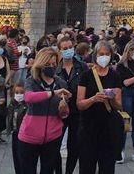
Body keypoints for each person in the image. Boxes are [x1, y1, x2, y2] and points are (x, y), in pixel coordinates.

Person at [19, 48, 71, 174]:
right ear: (40, 64)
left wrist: (64, 108)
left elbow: (64, 114)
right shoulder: (31, 81)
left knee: (48, 170)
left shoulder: (61, 83)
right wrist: (52, 93)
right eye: (48, 64)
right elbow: (29, 97)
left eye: (54, 64)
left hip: (52, 136)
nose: (51, 67)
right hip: (30, 135)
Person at [76, 41, 123, 174]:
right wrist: (93, 99)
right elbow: (79, 104)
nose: (104, 57)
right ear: (95, 55)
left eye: (107, 54)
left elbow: (119, 105)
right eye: (101, 54)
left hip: (108, 128)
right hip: (88, 128)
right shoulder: (86, 75)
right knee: (87, 167)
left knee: (107, 167)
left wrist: (111, 97)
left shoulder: (115, 76)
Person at [55, 37, 85, 174]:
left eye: (70, 47)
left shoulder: (81, 66)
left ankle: (69, 171)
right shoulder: (55, 68)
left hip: (76, 110)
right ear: (60, 50)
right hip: (59, 111)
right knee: (55, 144)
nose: (68, 50)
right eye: (64, 48)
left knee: (75, 145)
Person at [9, 82, 28, 174]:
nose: (18, 95)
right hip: (15, 132)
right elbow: (5, 114)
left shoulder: (27, 105)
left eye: (21, 93)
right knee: (16, 156)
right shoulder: (12, 104)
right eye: (16, 93)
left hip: (24, 133)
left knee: (23, 157)